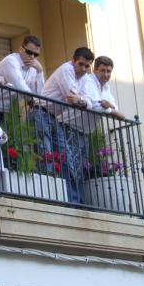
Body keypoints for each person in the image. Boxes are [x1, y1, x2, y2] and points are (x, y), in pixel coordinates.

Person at [42, 47, 95, 203]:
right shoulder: (66, 69)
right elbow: (71, 96)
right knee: (47, 154)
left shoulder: (84, 78)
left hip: (54, 117)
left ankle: (71, 200)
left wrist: (82, 101)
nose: (83, 69)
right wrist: (82, 101)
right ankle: (51, 197)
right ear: (73, 61)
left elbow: (89, 100)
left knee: (65, 157)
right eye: (81, 64)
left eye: (87, 66)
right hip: (41, 112)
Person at [0, 35, 44, 124]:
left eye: (36, 55)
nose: (32, 57)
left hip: (7, 111)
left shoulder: (34, 68)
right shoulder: (11, 61)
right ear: (21, 49)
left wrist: (40, 71)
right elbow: (20, 87)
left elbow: (39, 94)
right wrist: (32, 99)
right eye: (29, 52)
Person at [82, 56, 125, 121]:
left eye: (108, 71)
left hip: (79, 129)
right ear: (95, 70)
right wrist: (114, 112)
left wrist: (110, 105)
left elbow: (115, 107)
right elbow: (94, 106)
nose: (105, 74)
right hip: (66, 126)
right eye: (102, 70)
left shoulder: (106, 87)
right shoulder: (88, 80)